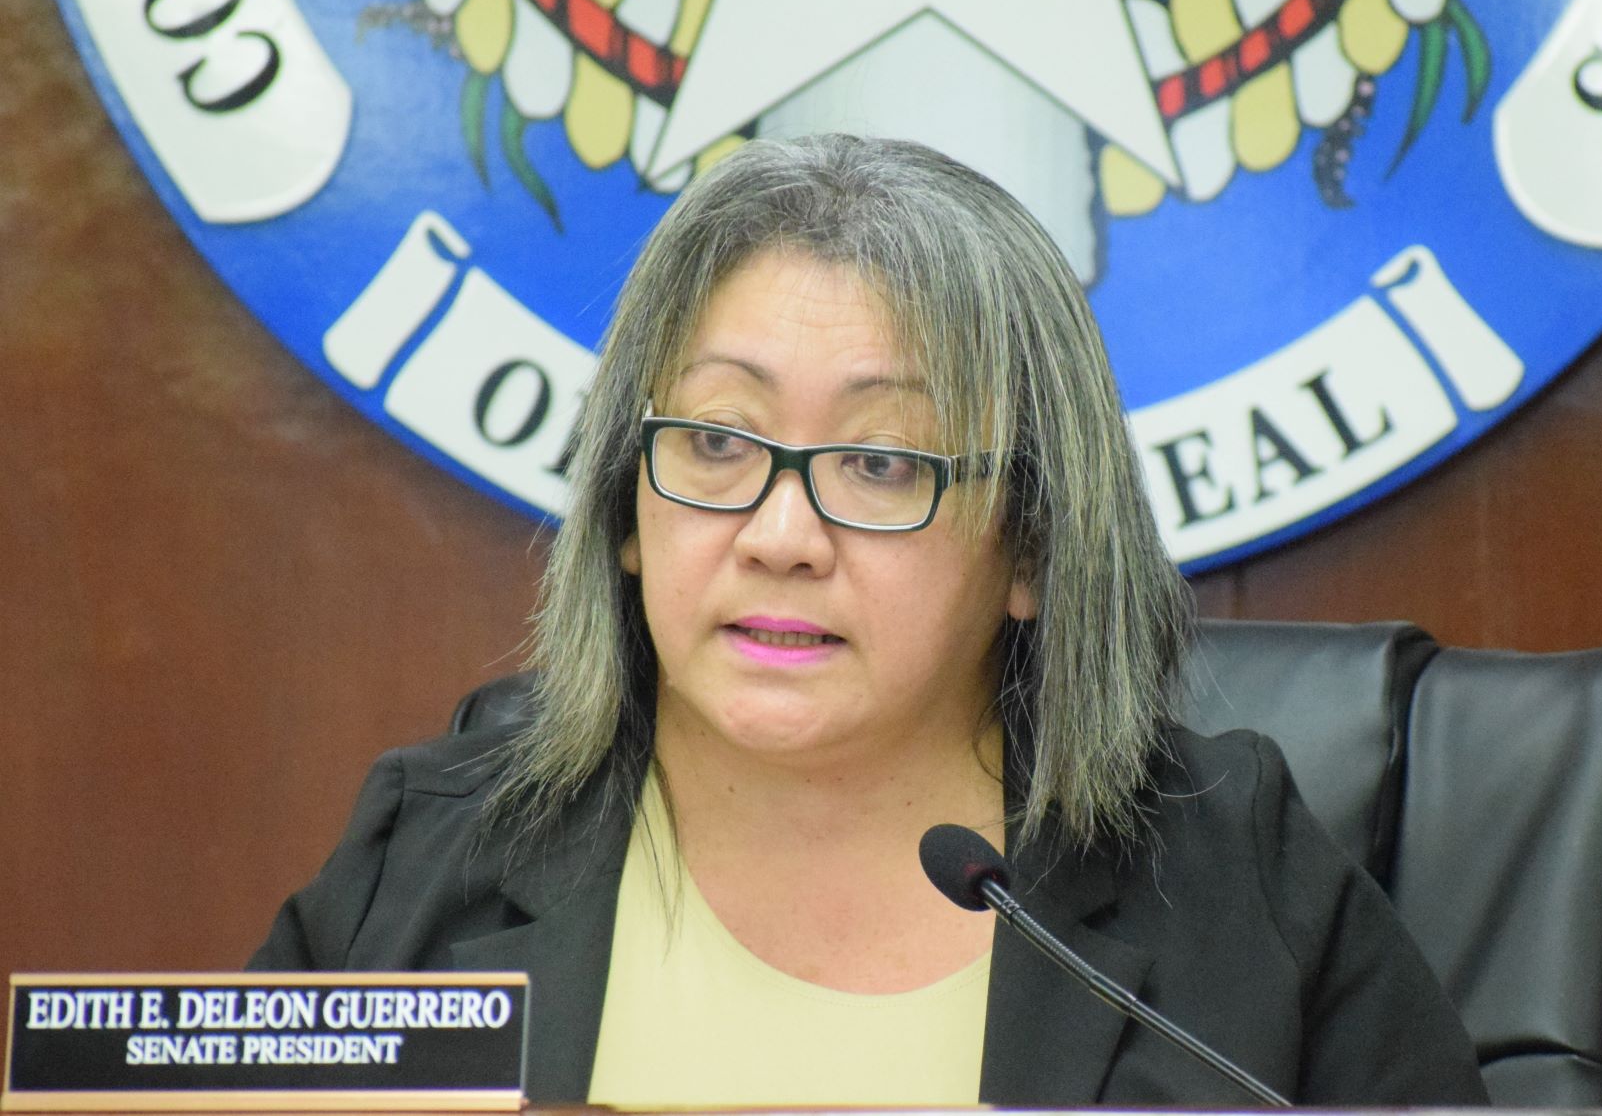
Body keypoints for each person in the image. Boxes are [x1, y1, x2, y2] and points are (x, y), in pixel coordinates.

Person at [251, 134, 1488, 1107]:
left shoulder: (1234, 887)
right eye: (718, 441)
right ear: (624, 509)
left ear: (1031, 545)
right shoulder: (422, 868)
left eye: (882, 464)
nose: (779, 533)